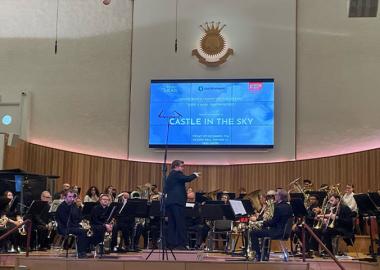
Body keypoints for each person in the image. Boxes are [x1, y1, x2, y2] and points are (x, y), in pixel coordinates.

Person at [164, 160, 200, 249]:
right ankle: (181, 244)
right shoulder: (176, 174)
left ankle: (172, 244)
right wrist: (194, 175)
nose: (183, 168)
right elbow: (186, 178)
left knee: (173, 223)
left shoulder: (171, 175)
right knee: (180, 223)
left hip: (171, 203)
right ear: (176, 166)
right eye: (182, 166)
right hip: (177, 203)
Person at [250, 190, 293, 261]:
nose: (274, 197)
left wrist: (262, 223)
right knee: (265, 231)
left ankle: (257, 254)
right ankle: (264, 255)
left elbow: (273, 222)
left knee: (253, 233)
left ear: (279, 197)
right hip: (285, 232)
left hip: (277, 232)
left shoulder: (278, 207)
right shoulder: (288, 206)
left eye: (276, 195)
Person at [55, 189, 89, 258]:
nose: (72, 198)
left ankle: (86, 249)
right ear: (65, 197)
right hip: (64, 227)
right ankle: (81, 252)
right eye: (69, 197)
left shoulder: (74, 206)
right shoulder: (62, 207)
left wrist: (84, 223)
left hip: (72, 226)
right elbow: (65, 221)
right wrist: (79, 226)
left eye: (73, 197)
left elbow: (79, 217)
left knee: (87, 230)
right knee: (82, 232)